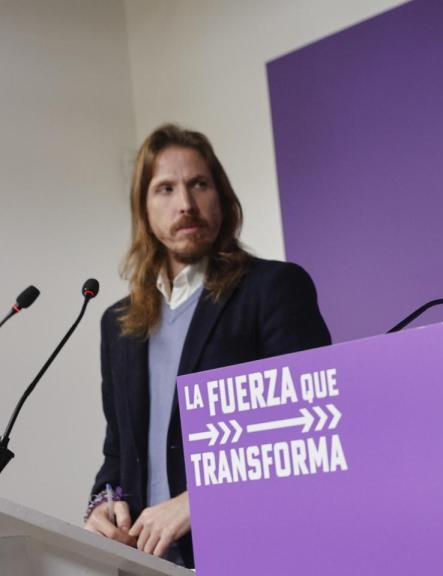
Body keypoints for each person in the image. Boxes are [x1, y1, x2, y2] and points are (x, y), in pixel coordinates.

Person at [83, 124, 331, 568]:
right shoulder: (116, 324)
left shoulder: (273, 288)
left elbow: (307, 432)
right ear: (143, 209)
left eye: (199, 184)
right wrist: (104, 502)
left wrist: (200, 499)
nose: (186, 204)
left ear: (222, 196)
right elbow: (118, 453)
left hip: (256, 552)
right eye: (165, 188)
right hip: (147, 560)